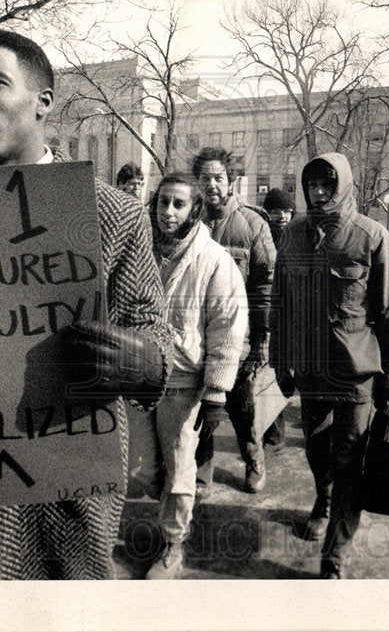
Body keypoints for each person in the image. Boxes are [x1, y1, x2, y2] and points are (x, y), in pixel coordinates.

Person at [0, 28, 173, 580]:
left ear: (42, 103)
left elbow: (153, 332)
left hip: (63, 487)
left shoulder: (112, 215)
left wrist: (144, 360)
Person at [271, 153, 389, 579]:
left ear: (344, 185)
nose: (319, 192)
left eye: (328, 184)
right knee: (316, 450)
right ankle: (323, 497)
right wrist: (280, 361)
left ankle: (335, 554)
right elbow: (280, 305)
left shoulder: (371, 236)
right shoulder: (292, 237)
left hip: (355, 373)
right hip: (311, 371)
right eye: (312, 185)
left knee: (349, 459)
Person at [137, 173, 247, 579]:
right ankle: (168, 504)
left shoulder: (214, 260)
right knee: (142, 469)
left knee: (180, 469)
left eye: (178, 204)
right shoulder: (141, 249)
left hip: (184, 384)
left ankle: (173, 544)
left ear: (194, 209)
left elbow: (229, 326)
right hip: (138, 378)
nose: (167, 212)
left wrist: (217, 391)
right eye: (162, 202)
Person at [191, 147, 276, 495]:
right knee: (199, 407)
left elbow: (264, 289)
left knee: (242, 409)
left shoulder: (253, 225)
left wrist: (260, 344)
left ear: (231, 182)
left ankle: (254, 460)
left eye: (218, 177)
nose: (211, 184)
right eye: (205, 178)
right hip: (195, 338)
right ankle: (200, 472)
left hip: (236, 342)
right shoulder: (187, 221)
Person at [259, 187, 297, 446]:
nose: (282, 216)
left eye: (286, 211)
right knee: (273, 373)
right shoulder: (262, 237)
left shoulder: (298, 237)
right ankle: (273, 431)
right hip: (270, 312)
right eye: (276, 211)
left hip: (296, 314)